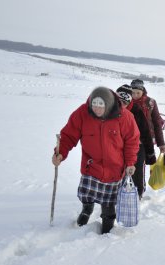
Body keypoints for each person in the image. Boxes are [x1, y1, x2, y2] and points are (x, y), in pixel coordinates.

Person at [52, 86, 140, 234]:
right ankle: (87, 210)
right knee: (87, 195)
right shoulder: (82, 113)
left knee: (108, 201)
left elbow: (132, 141)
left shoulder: (124, 117)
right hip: (91, 166)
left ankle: (107, 222)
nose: (97, 109)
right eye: (94, 105)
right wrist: (60, 153)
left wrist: (130, 162)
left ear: (108, 104)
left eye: (101, 106)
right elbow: (68, 135)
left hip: (114, 168)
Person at [116, 84, 156, 200]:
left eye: (125, 100)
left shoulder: (136, 110)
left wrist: (150, 154)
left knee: (137, 170)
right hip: (119, 146)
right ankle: (119, 192)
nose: (122, 103)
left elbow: (146, 132)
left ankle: (138, 193)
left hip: (139, 146)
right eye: (119, 100)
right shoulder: (111, 109)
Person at [130, 79, 165, 154]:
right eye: (133, 93)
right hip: (130, 139)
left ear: (142, 91)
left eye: (138, 93)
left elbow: (157, 123)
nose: (135, 95)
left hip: (146, 140)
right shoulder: (127, 101)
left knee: (141, 163)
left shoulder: (151, 103)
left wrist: (161, 144)